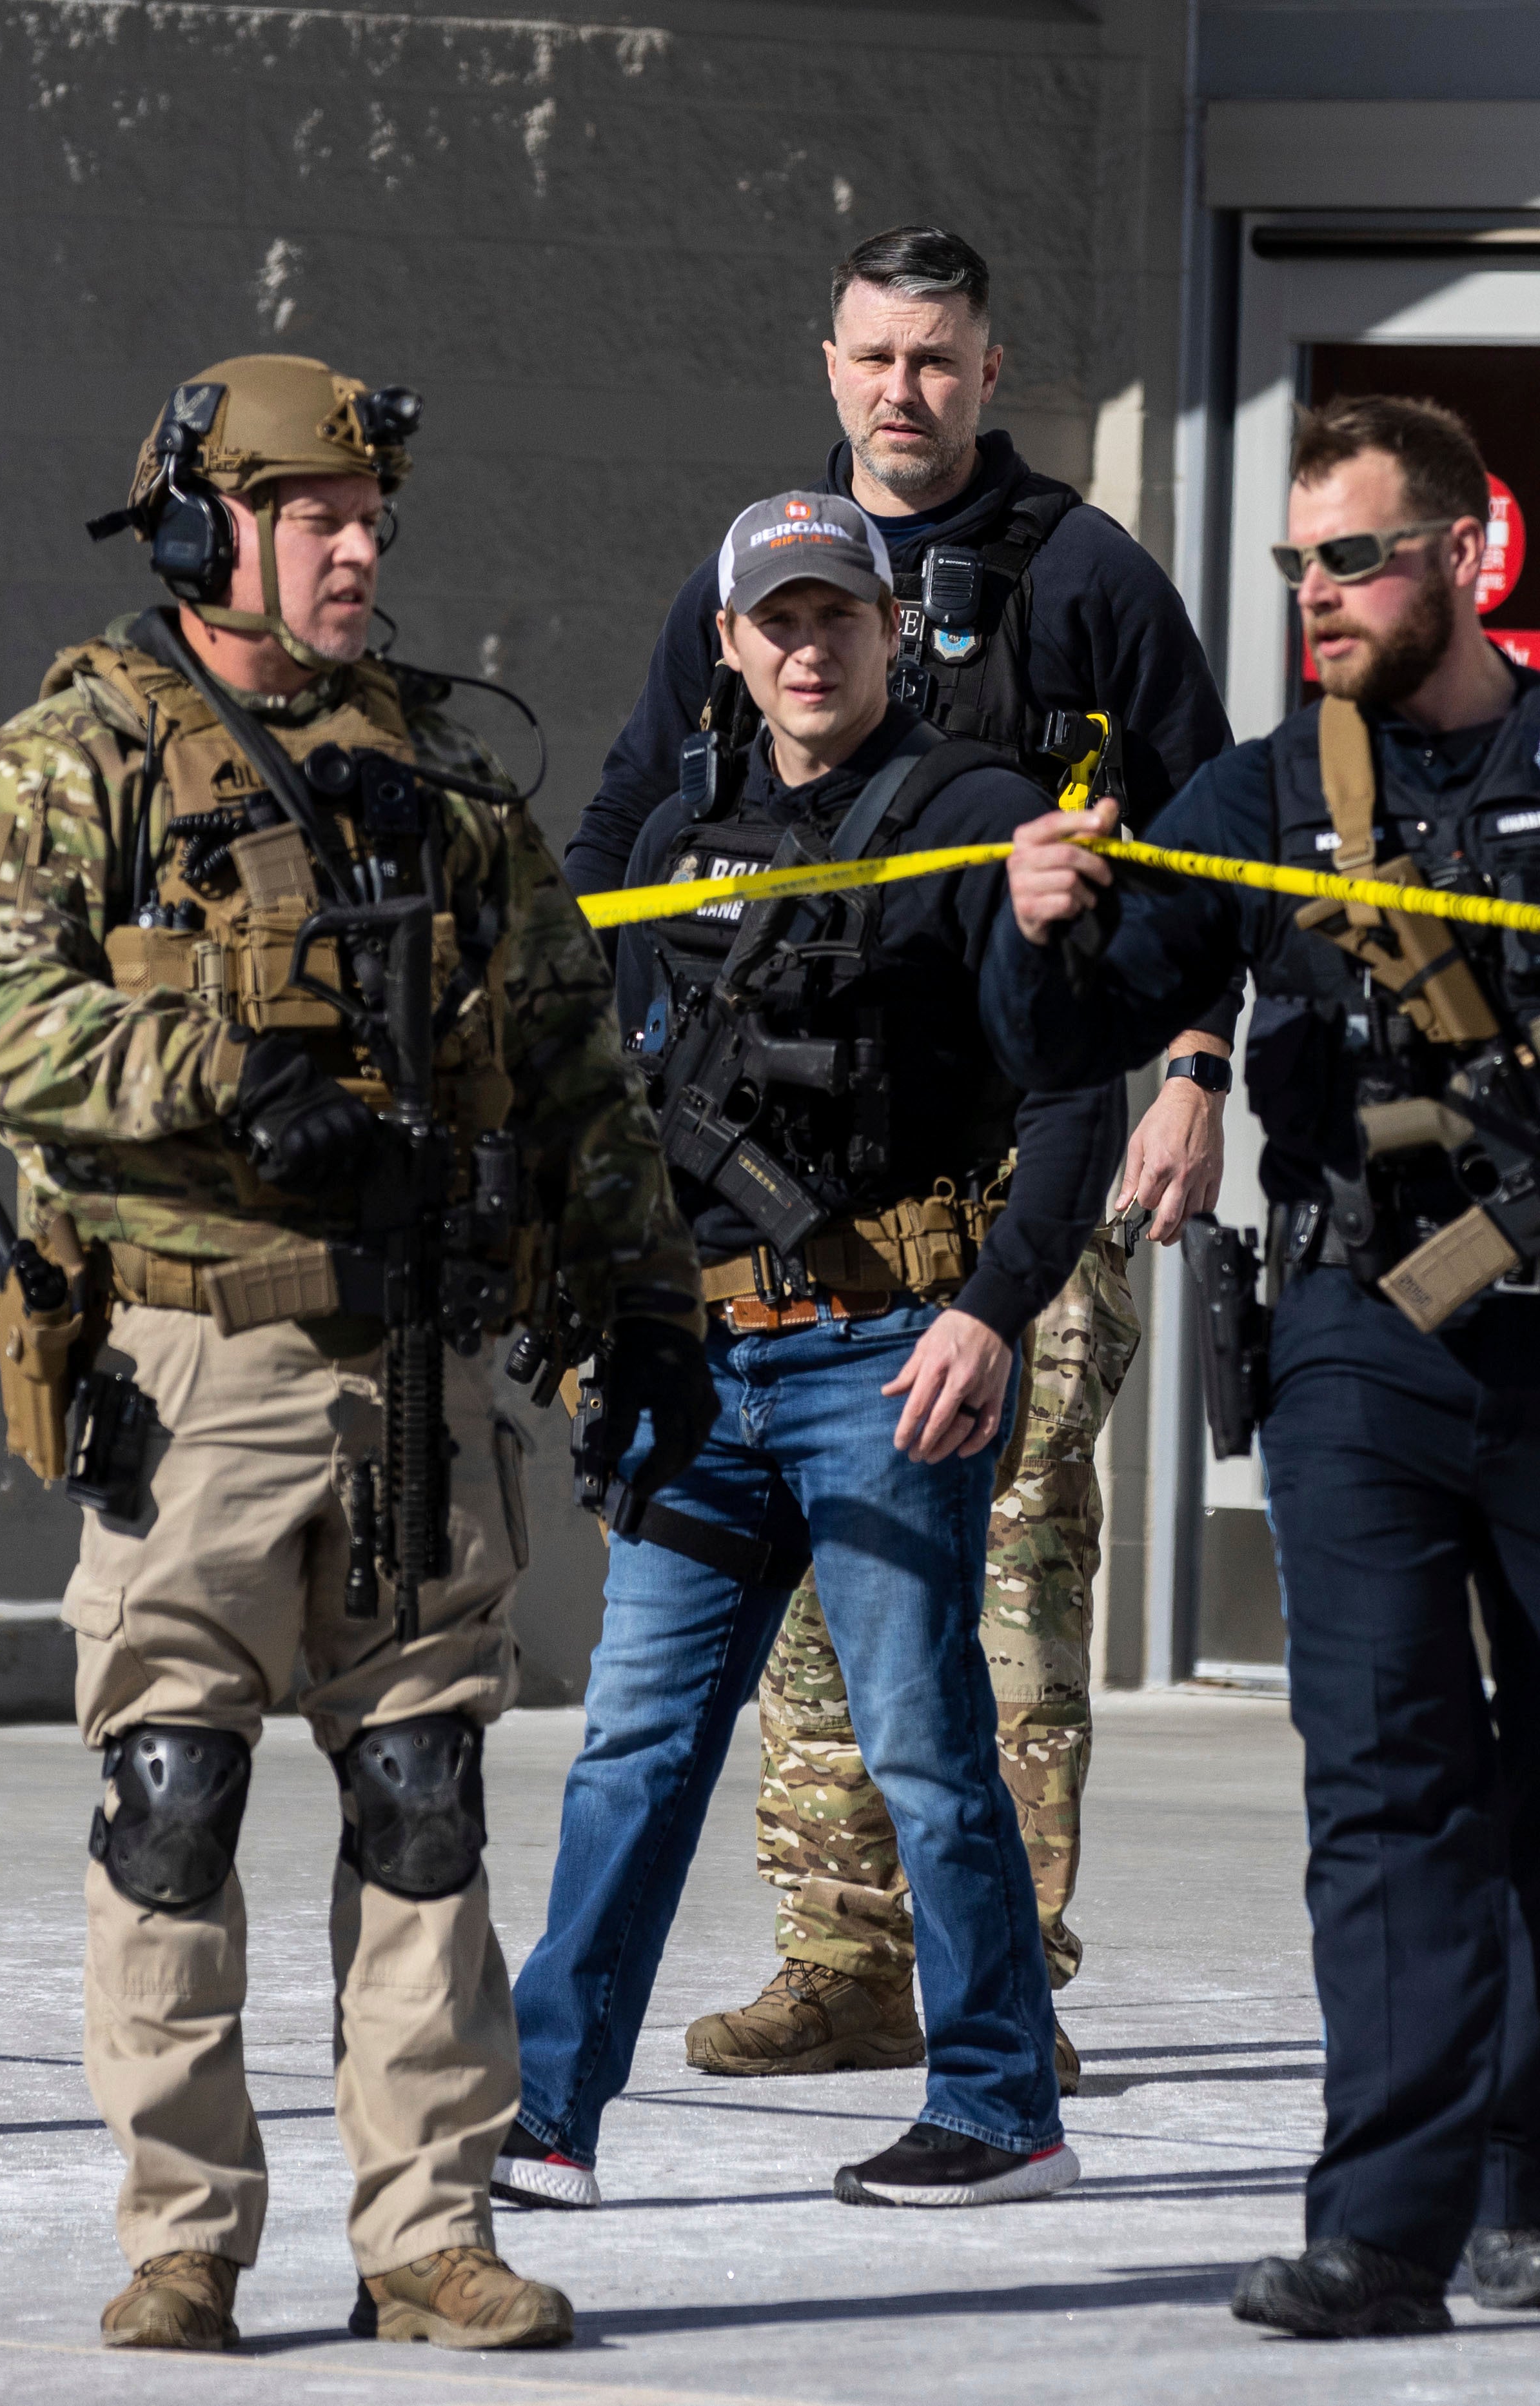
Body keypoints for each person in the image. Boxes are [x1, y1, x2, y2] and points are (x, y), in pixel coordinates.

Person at [991, 396, 1540, 2334]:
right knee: (1385, 1780)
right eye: (1295, 564)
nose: (1317, 596)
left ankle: (1527, 2168)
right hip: (1359, 1336)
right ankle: (1381, 2218)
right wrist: (1041, 928)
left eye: (1353, 557)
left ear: (1464, 552)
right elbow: (1096, 1009)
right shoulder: (1275, 793)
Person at [0, 354, 710, 2354]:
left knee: (425, 1797)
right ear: (206, 531)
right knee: (172, 1792)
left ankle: (429, 2231)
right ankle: (186, 2234)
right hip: (196, 1369)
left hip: (421, 1364)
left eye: (373, 518)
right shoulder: (74, 760)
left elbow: (568, 1060)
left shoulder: (445, 777)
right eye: (317, 516)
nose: (359, 550)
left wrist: (644, 1306)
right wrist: (223, 1078)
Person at [573, 226, 1236, 2091]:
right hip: (783, 1194)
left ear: (989, 370)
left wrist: (1192, 1065)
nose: (901, 390)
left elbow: (1206, 845)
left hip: (1022, 1153)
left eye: (934, 360)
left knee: (1004, 1574)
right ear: (830, 363)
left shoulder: (1087, 575)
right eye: (871, 357)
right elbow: (626, 825)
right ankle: (846, 1957)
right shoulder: (762, 580)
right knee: (806, 1586)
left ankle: (1001, 1973)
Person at [499, 490, 1090, 2214]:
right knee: (633, 1745)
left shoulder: (976, 818)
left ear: (892, 630)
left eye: (839, 613)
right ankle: (547, 2114)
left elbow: (1070, 1090)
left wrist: (991, 1307)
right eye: (777, 619)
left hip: (889, 1351)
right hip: (698, 1359)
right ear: (732, 642)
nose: (808, 644)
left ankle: (998, 2105)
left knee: (921, 1741)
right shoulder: (675, 831)